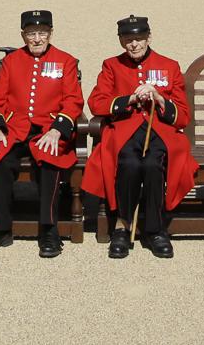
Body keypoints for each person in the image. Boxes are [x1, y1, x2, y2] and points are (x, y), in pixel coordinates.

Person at [0, 9, 83, 258]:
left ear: (51, 33)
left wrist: (57, 130)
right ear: (23, 35)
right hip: (16, 129)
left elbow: (74, 101)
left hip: (48, 128)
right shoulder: (11, 62)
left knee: (49, 161)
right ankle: (0, 228)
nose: (37, 39)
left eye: (42, 33)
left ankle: (49, 229)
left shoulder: (65, 61)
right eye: (31, 33)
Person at [83, 14, 194, 259]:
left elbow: (184, 115)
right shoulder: (111, 65)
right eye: (128, 39)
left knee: (154, 165)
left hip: (160, 132)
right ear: (121, 41)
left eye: (139, 38)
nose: (134, 44)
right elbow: (97, 102)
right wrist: (129, 99)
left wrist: (161, 98)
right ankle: (122, 226)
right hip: (125, 131)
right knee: (130, 165)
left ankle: (155, 229)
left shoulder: (169, 65)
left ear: (149, 37)